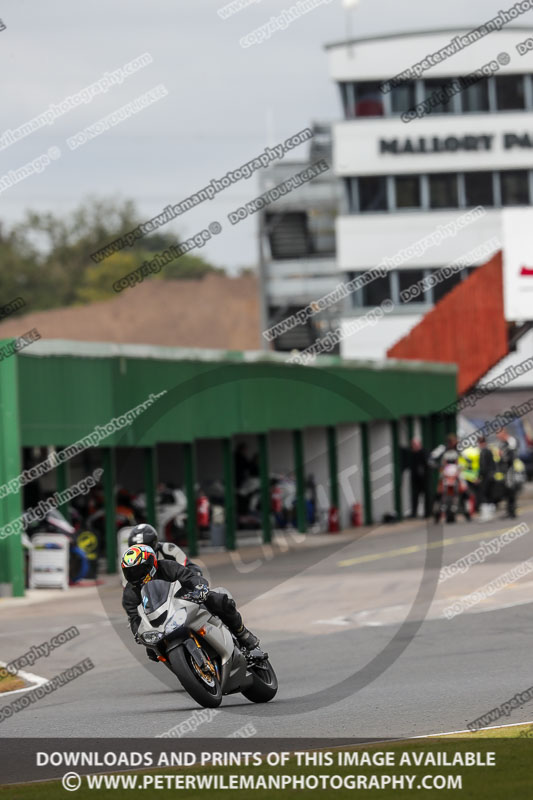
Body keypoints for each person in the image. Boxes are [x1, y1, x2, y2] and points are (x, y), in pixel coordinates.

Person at [121, 544, 259, 661]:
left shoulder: (167, 567)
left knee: (218, 600)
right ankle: (187, 666)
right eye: (130, 572)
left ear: (151, 563)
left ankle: (242, 634)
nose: (135, 575)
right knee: (152, 652)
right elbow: (134, 618)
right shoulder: (130, 593)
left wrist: (199, 588)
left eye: (138, 570)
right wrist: (138, 634)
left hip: (185, 599)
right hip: (160, 620)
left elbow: (189, 577)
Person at [127, 522, 202, 575]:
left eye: (146, 547)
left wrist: (194, 576)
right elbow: (128, 589)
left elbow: (188, 567)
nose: (142, 552)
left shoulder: (169, 550)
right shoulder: (128, 562)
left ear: (154, 544)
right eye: (137, 548)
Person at [497, 430, 518, 518]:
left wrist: (504, 457)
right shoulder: (502, 443)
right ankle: (509, 510)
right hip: (505, 469)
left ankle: (512, 511)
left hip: (510, 469)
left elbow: (511, 456)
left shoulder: (511, 441)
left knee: (511, 489)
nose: (498, 437)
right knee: (506, 490)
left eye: (499, 435)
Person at [407, 438, 429, 518]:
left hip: (423, 478)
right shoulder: (411, 453)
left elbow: (428, 463)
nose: (414, 446)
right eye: (413, 445)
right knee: (414, 496)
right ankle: (414, 512)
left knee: (426, 495)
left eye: (415, 444)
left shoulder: (424, 452)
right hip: (415, 478)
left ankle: (427, 513)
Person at [477, 436, 495, 520]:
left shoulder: (483, 452)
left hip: (485, 477)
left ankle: (486, 515)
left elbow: (483, 467)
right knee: (489, 494)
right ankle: (490, 513)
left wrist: (479, 476)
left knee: (483, 495)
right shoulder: (489, 451)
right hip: (490, 476)